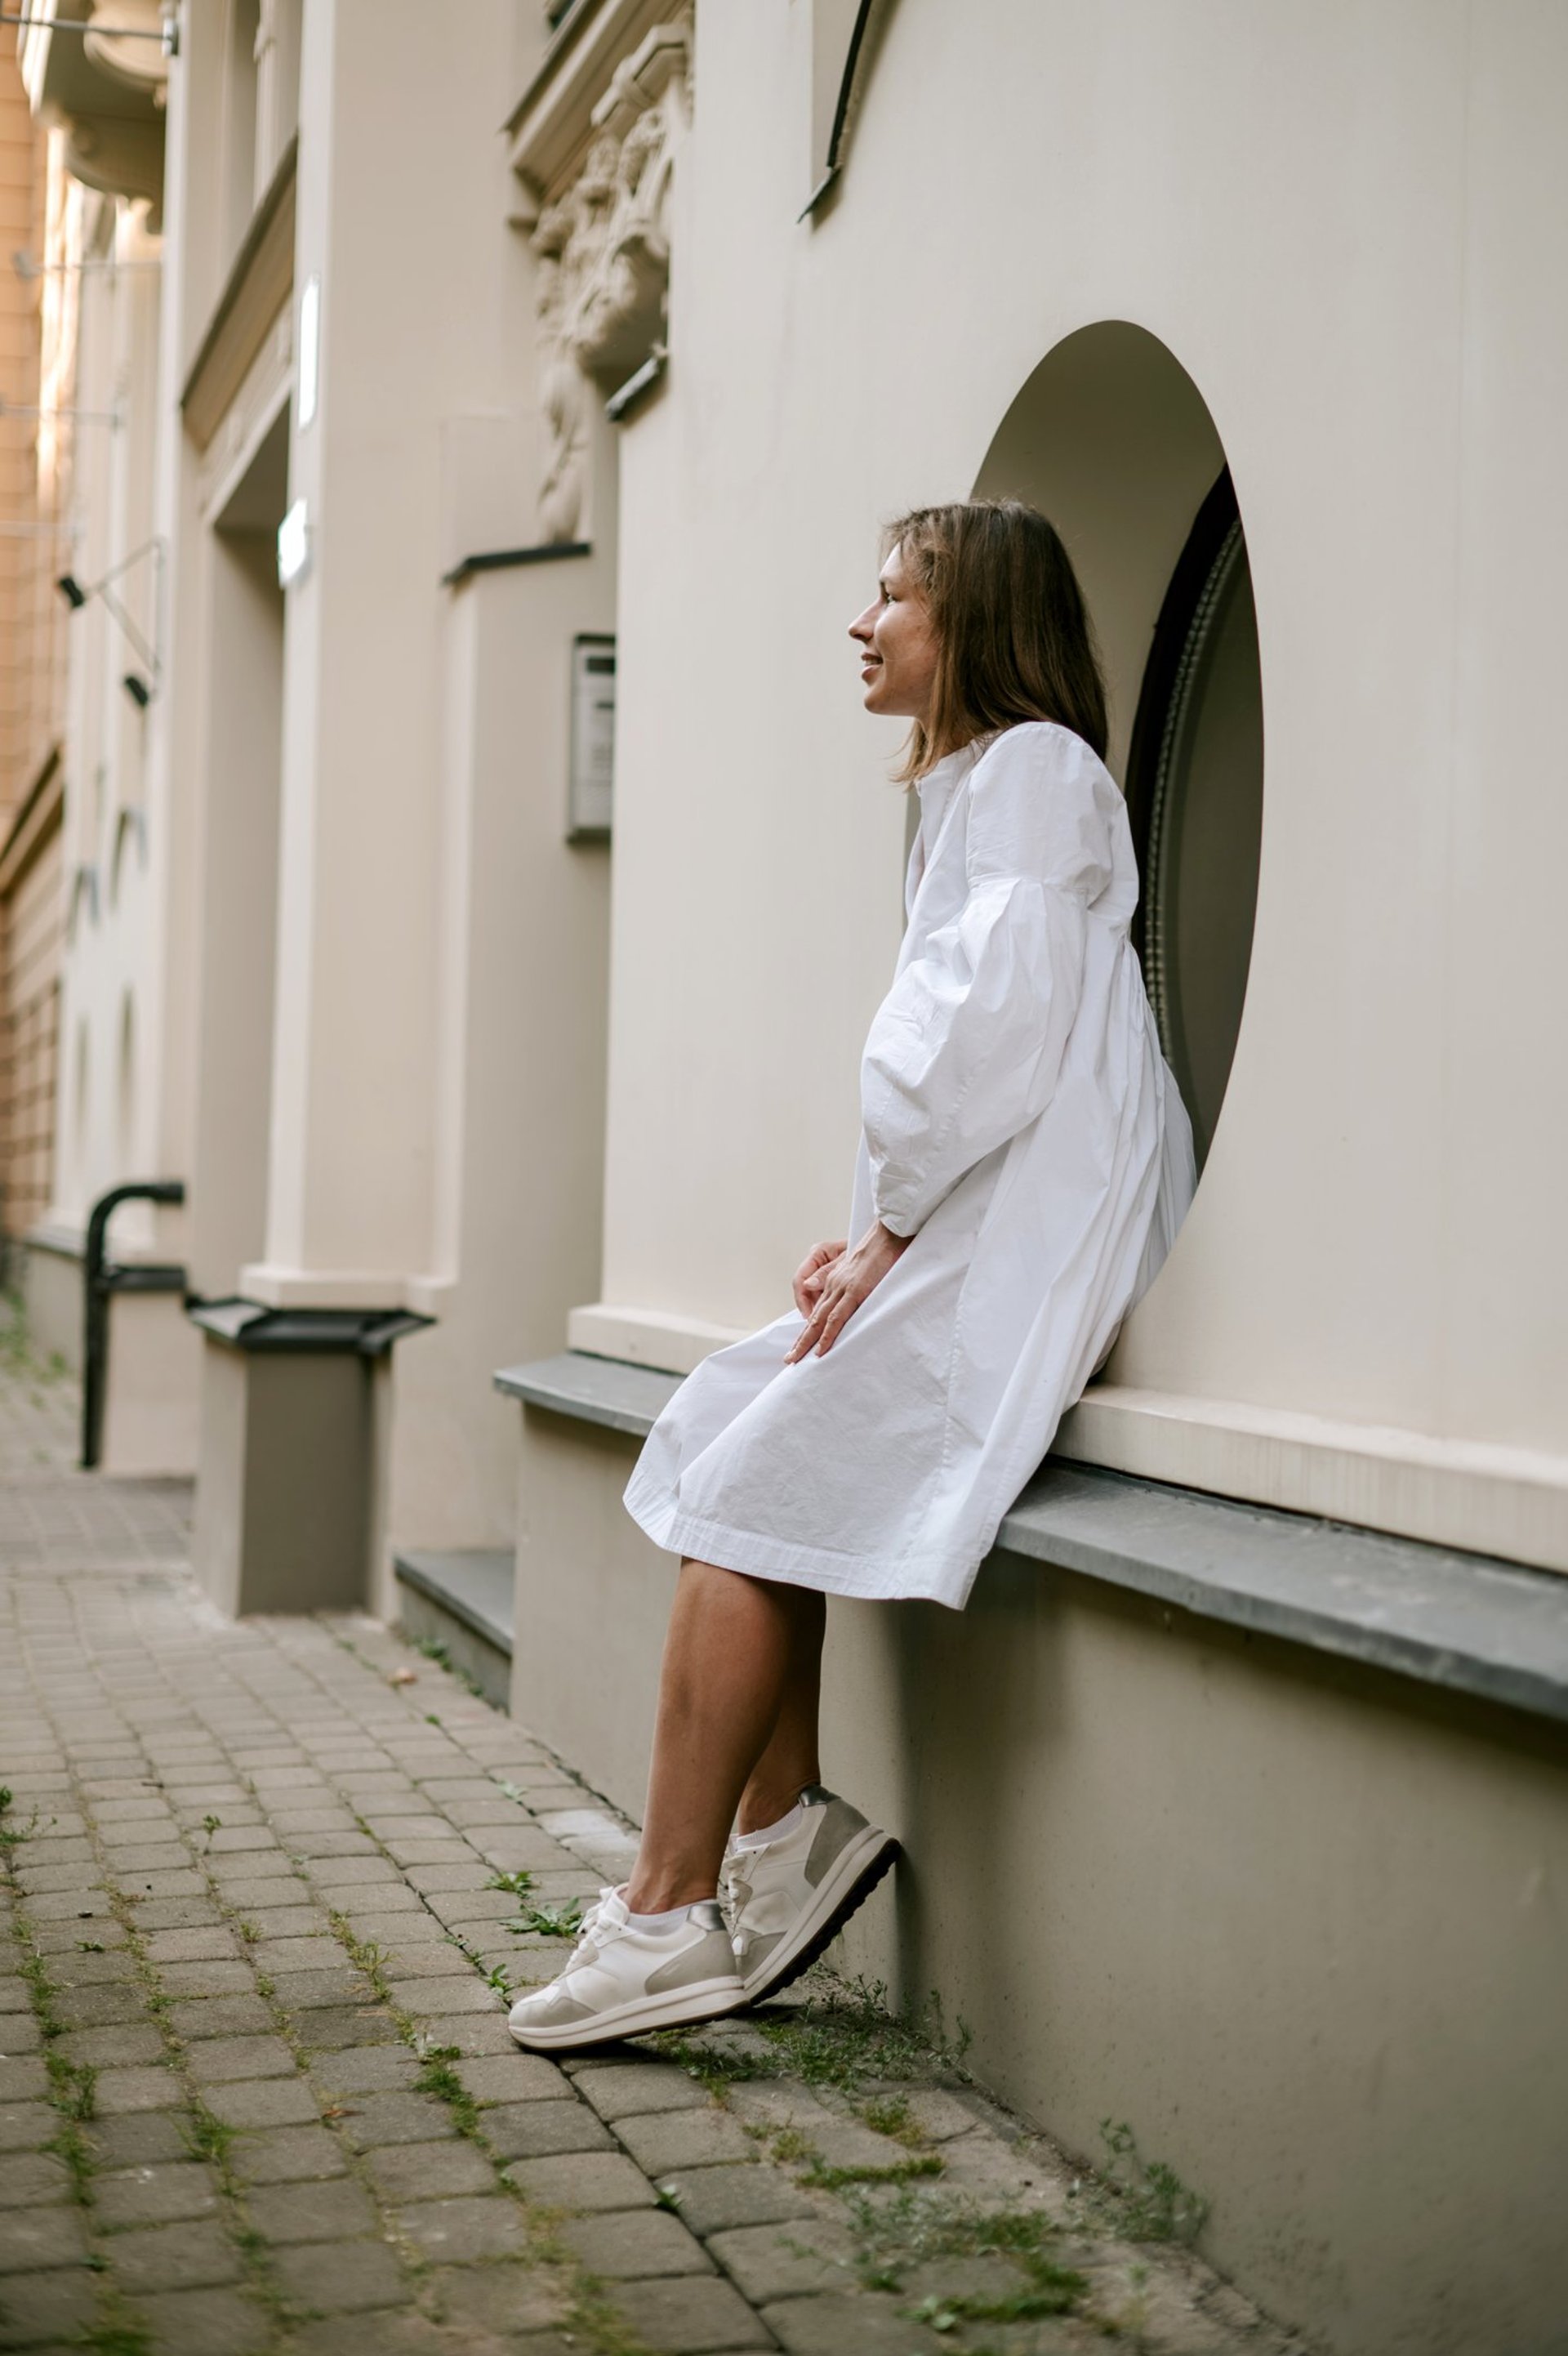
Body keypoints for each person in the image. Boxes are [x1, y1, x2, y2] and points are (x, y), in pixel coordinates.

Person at [507, 500, 1197, 2052]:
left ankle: (668, 1919)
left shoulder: (1033, 772)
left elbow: (989, 1033)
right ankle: (781, 1838)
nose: (864, 622)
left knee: (742, 1483)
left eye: (894, 596)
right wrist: (882, 1224)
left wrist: (892, 1227)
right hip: (983, 1227)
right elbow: (976, 1046)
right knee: (726, 1430)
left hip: (1020, 1249)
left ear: (976, 622)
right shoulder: (988, 789)